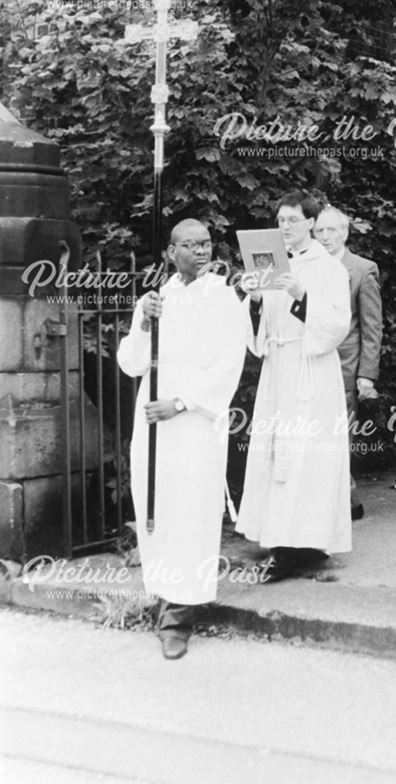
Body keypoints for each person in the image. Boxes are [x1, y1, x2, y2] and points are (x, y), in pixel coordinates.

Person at [117, 219, 246, 660]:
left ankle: (180, 615)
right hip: (151, 417)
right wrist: (144, 323)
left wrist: (182, 402)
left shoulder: (224, 297)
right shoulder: (157, 298)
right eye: (189, 245)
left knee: (191, 506)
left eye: (206, 243)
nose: (201, 251)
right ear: (171, 253)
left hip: (193, 419)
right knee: (155, 501)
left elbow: (230, 363)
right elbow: (133, 363)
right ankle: (162, 592)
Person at [237, 189, 352, 581]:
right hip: (278, 368)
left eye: (292, 220)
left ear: (310, 224)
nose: (285, 227)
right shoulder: (269, 262)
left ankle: (302, 545)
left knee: (308, 458)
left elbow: (338, 325)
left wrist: (301, 296)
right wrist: (253, 299)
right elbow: (258, 330)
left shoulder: (328, 267)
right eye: (280, 220)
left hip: (311, 373)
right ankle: (281, 540)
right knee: (276, 456)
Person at [315, 205, 383, 520]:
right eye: (320, 230)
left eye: (332, 230)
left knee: (340, 438)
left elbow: (371, 326)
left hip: (345, 367)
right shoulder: (309, 267)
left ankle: (345, 502)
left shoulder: (362, 269)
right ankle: (338, 501)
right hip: (312, 364)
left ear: (345, 232)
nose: (325, 236)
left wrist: (367, 375)